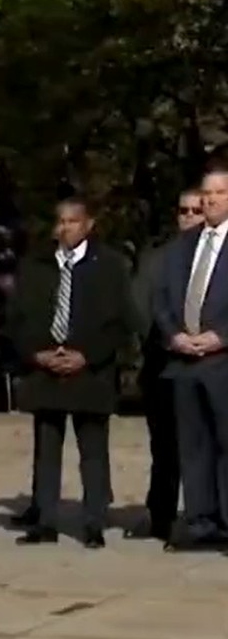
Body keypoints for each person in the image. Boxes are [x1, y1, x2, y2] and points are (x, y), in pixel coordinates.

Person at [7, 196, 131, 548]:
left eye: (73, 221)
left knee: (93, 450)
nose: (65, 228)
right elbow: (17, 318)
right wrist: (38, 354)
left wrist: (86, 355)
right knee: (46, 448)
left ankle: (93, 521)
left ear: (89, 224)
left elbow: (120, 323)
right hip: (45, 369)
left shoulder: (110, 266)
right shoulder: (35, 266)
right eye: (60, 222)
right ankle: (44, 520)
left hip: (90, 371)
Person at [153, 167, 228, 552]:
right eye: (206, 193)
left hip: (223, 360)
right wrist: (175, 335)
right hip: (185, 360)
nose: (210, 200)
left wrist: (221, 336)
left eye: (219, 193)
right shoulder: (183, 246)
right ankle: (201, 521)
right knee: (193, 445)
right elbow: (162, 296)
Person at [127, 189, 203, 541]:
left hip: (214, 361)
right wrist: (167, 339)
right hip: (164, 361)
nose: (189, 216)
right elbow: (141, 308)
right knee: (165, 446)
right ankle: (161, 516)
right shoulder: (157, 259)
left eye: (196, 210)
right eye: (183, 210)